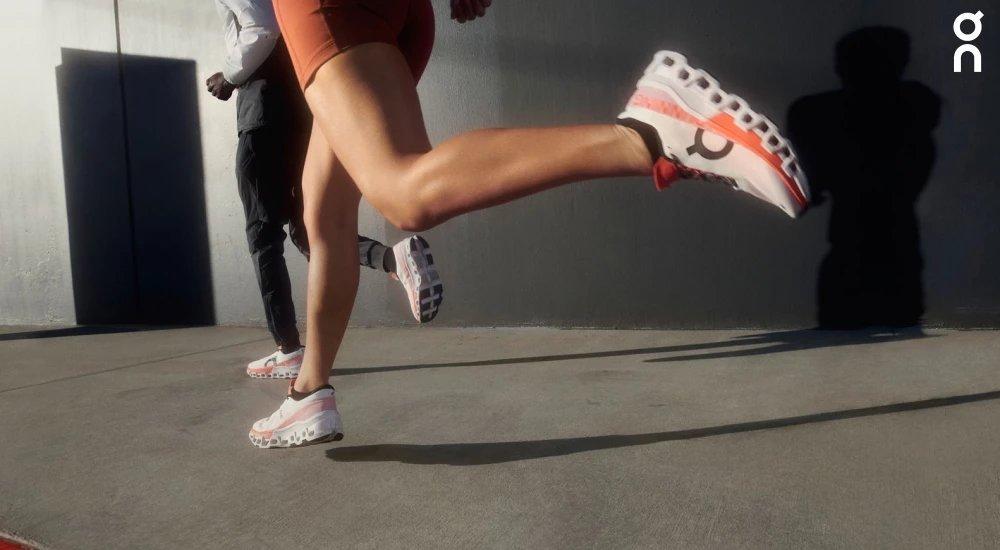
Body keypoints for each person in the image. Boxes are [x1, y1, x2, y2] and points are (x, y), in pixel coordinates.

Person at [248, 0, 811, 448]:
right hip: (400, 14)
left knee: (401, 191)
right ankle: (309, 393)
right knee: (326, 218)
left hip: (328, 10)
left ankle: (646, 137)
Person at [207, 0, 444, 380]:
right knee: (309, 228)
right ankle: (392, 260)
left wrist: (230, 76)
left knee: (263, 235)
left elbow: (262, 28)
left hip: (262, 112)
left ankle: (287, 350)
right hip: (303, 105)